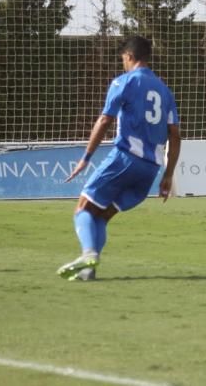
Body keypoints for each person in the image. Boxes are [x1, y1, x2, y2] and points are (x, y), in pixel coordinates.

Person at [58, 35, 180, 281]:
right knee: (101, 215)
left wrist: (86, 157)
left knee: (82, 209)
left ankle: (88, 254)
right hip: (150, 170)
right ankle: (88, 270)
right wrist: (168, 174)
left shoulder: (124, 82)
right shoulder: (165, 91)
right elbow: (175, 136)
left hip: (125, 159)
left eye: (123, 58)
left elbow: (105, 120)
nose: (123, 62)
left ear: (130, 57)